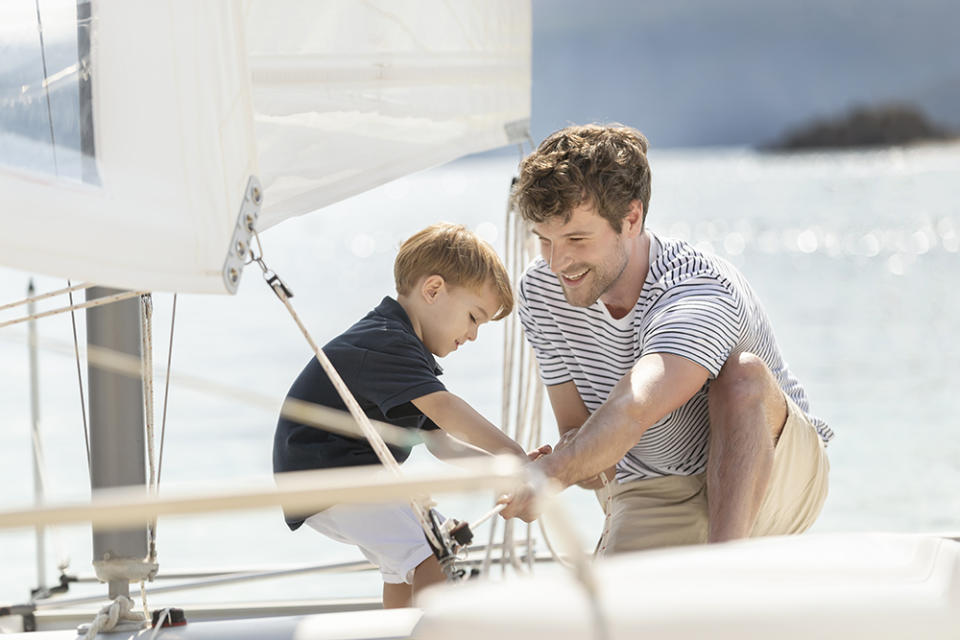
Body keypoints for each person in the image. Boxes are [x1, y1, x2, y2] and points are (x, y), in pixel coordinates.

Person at [499, 124, 832, 553]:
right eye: (544, 241)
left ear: (631, 219)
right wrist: (559, 466)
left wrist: (556, 473)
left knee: (743, 375)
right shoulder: (541, 293)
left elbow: (634, 407)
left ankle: (725, 567)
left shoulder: (697, 290)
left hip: (777, 468)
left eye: (577, 239)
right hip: (656, 481)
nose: (558, 262)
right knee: (611, 613)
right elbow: (583, 442)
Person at [273, 222, 550, 608]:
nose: (473, 336)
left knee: (413, 557)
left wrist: (504, 471)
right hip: (330, 474)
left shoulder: (403, 351)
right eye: (473, 317)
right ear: (434, 290)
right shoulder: (388, 341)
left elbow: (444, 445)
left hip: (335, 476)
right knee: (436, 554)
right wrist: (515, 455)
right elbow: (447, 409)